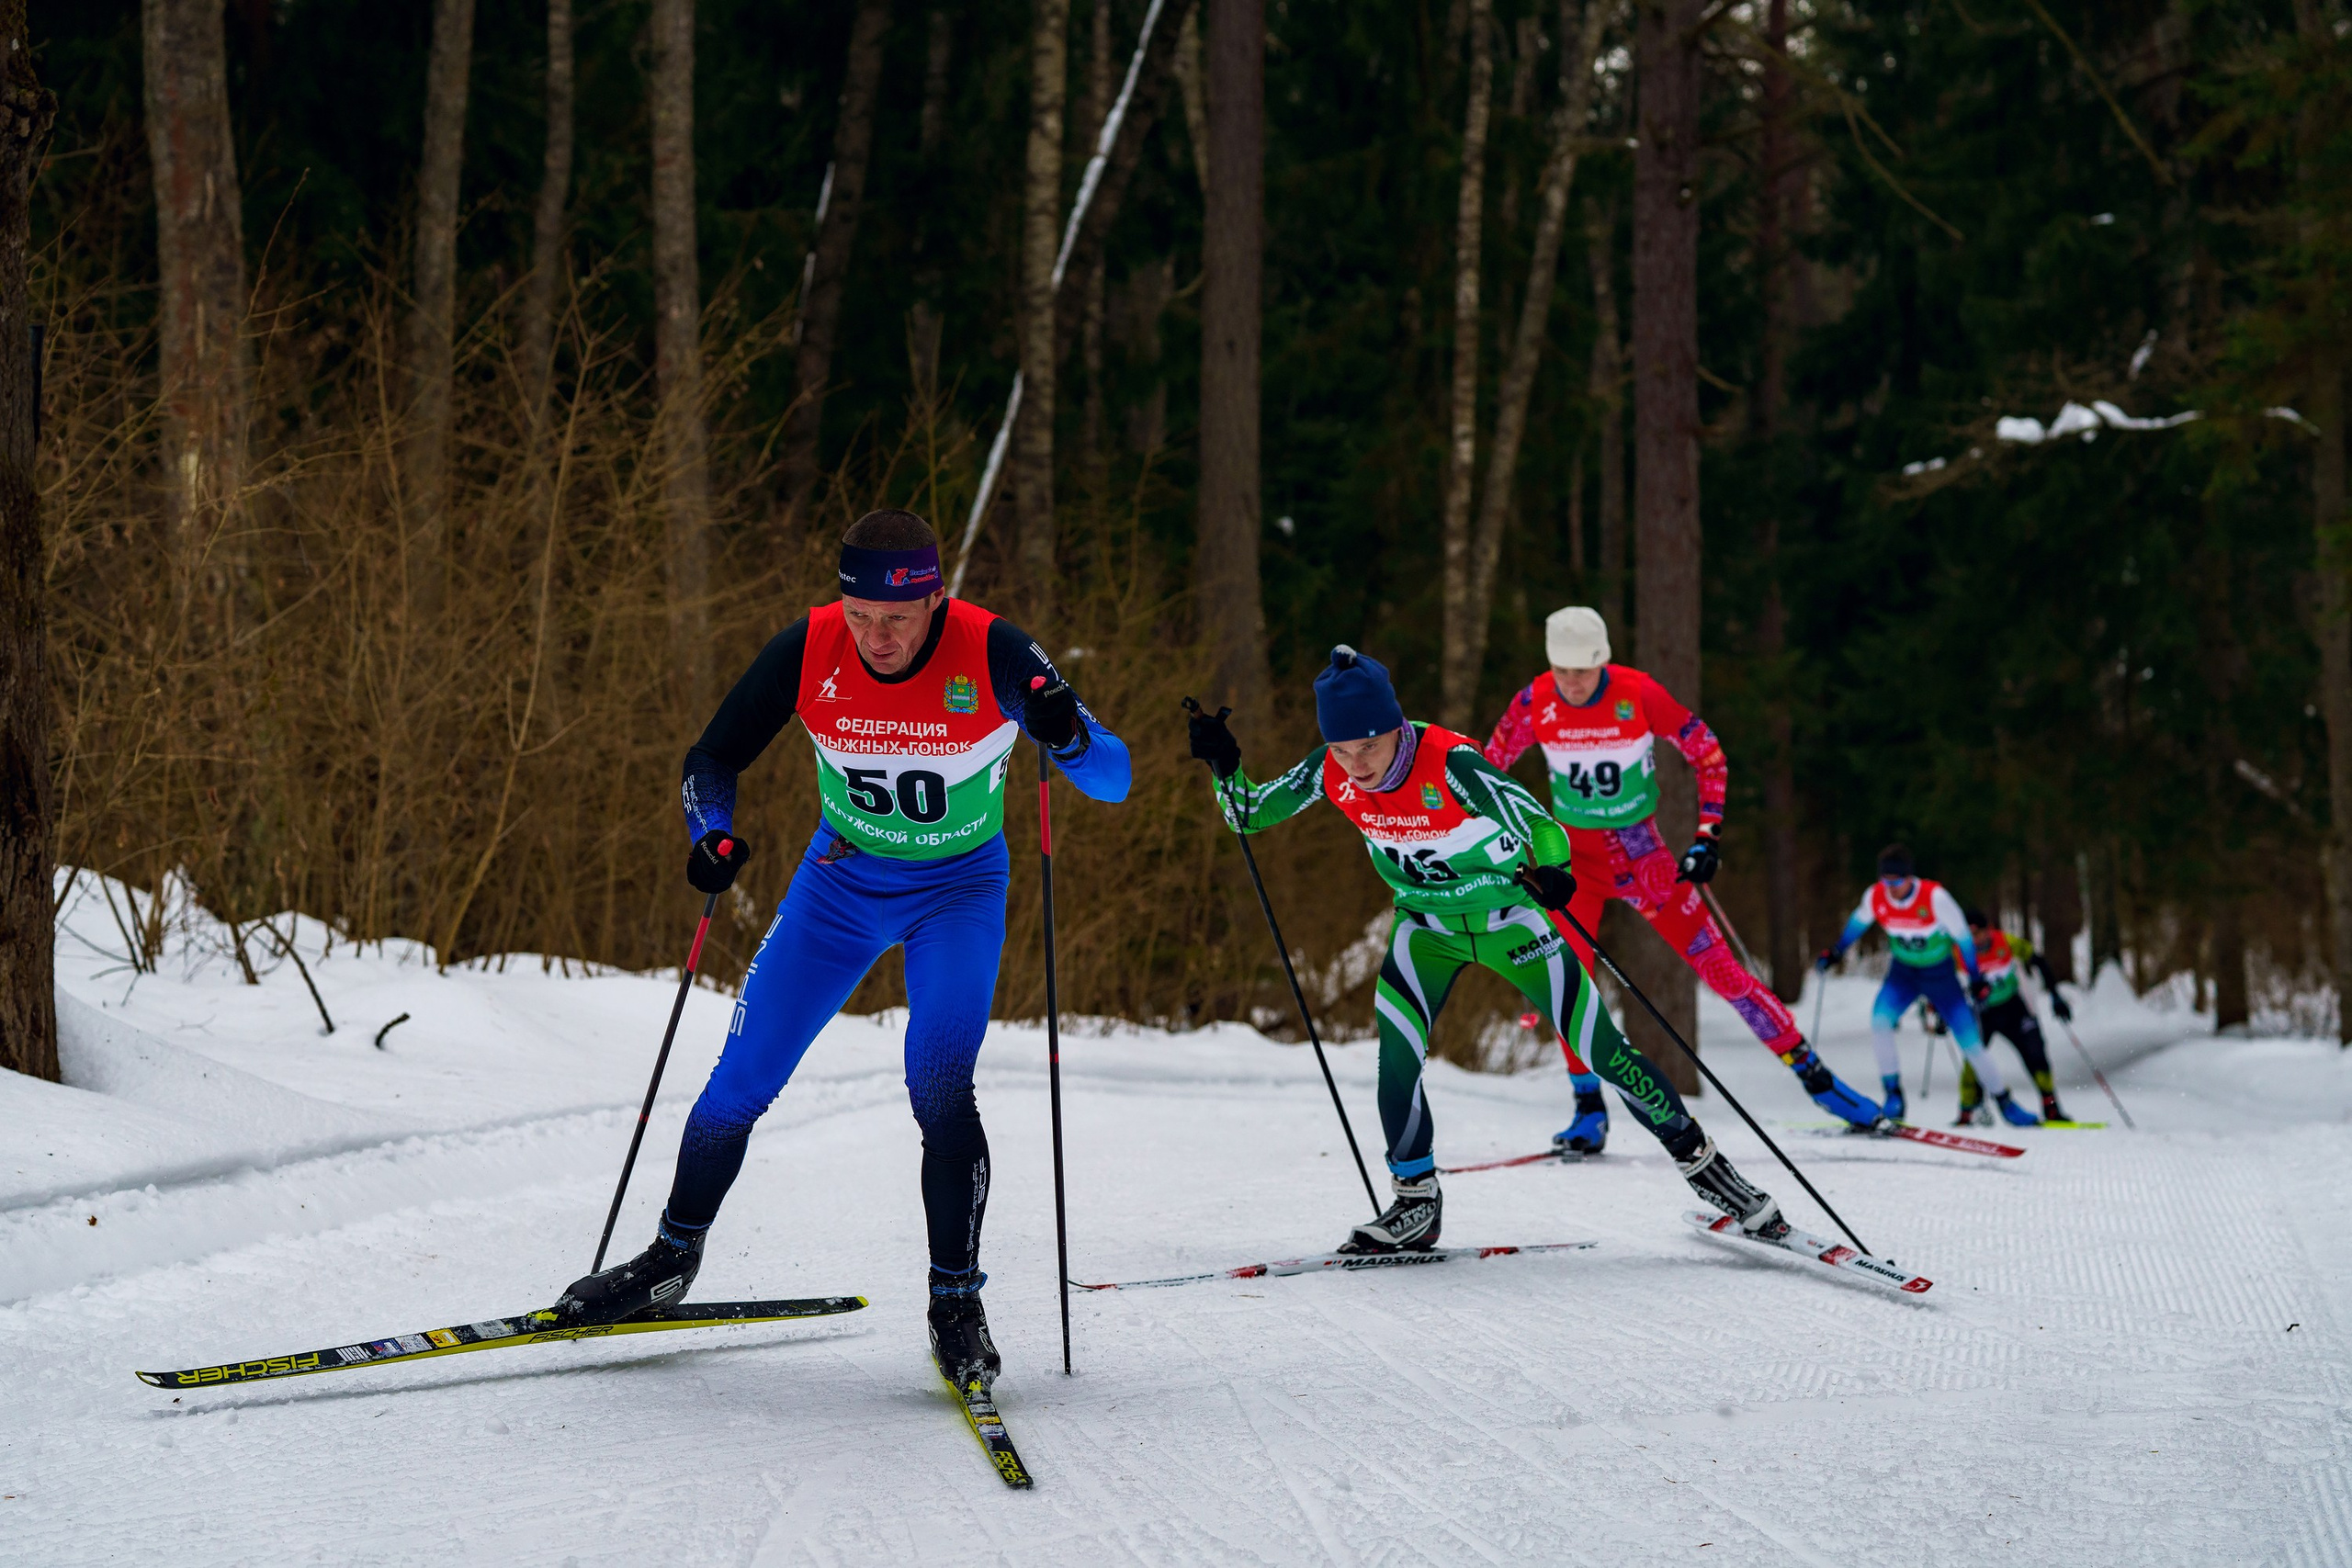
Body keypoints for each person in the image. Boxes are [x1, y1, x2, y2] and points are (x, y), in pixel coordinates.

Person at [553, 510, 1132, 1401]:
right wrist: (710, 832)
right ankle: (671, 1258)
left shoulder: (995, 651)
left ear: (935, 599)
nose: (876, 638)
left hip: (958, 888)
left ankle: (955, 1300)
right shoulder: (810, 646)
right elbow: (712, 755)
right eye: (860, 616)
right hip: (840, 879)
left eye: (895, 619)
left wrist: (1069, 735)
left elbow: (1114, 778)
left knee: (938, 1083)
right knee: (738, 1079)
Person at [1188, 646, 1793, 1252]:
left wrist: (1556, 872)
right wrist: (1225, 766)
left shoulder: (1452, 762)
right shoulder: (1329, 769)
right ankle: (1415, 1203)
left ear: (1395, 727)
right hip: (1426, 928)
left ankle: (1710, 1171)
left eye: (1367, 746)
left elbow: (1542, 826)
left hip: (1511, 923)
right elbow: (1247, 814)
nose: (1356, 765)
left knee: (1605, 1053)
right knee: (1395, 1062)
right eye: (1342, 750)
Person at [1483, 605, 1881, 1151]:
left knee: (1723, 971)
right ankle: (1588, 1108)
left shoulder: (1638, 693)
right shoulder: (1534, 701)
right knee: (1567, 983)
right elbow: (1486, 773)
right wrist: (1501, 847)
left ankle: (1819, 1081)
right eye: (1562, 671)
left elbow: (1708, 754)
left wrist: (1707, 837)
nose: (1572, 683)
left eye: (1584, 671)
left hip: (1641, 856)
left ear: (1603, 661)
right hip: (1573, 864)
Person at [1814, 845, 2041, 1127]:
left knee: (1970, 1042)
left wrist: (1975, 977)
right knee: (1880, 1021)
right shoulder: (1876, 896)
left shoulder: (1935, 898)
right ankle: (1894, 1096)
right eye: (1886, 881)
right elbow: (1858, 922)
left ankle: (2005, 1103)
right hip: (1903, 974)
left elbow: (1964, 938)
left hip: (1940, 976)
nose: (1891, 888)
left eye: (1897, 881)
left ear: (1910, 877)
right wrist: (1837, 951)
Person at [1955, 909, 2075, 1124]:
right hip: (1982, 1013)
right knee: (1974, 1058)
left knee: (2036, 1054)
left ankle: (2051, 1108)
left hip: (2013, 1008)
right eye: (1969, 934)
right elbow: (1941, 980)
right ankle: (1967, 1113)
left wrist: (2055, 995)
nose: (1975, 939)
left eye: (1978, 933)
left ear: (1988, 930)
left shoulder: (2006, 942)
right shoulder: (1958, 952)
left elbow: (2038, 961)